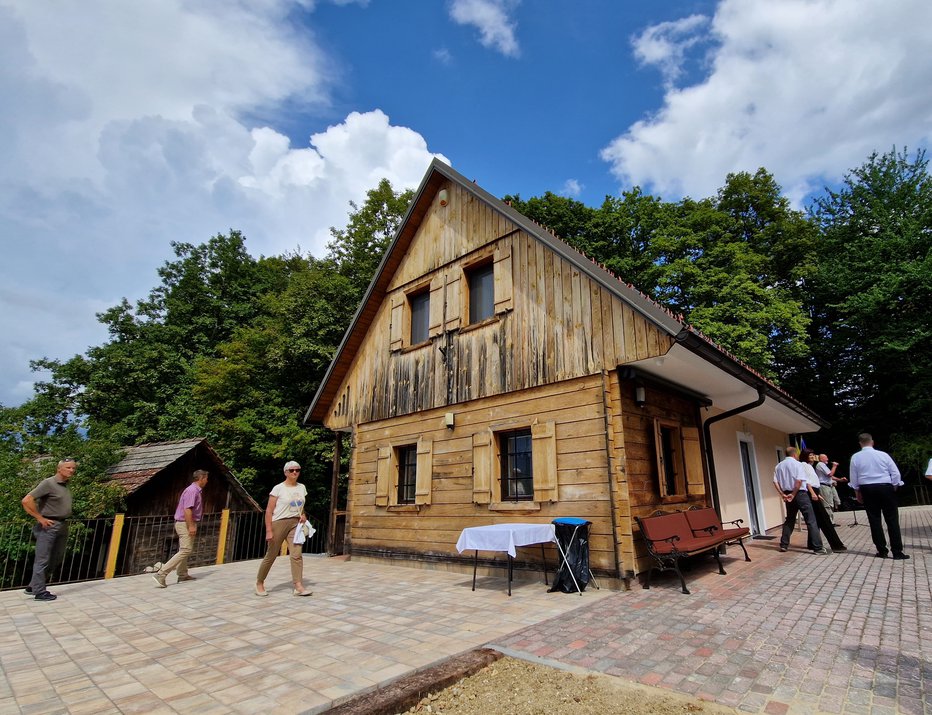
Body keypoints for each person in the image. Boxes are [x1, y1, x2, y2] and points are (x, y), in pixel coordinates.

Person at [21, 458, 76, 601]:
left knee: (57, 557)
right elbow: (27, 500)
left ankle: (33, 585)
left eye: (73, 468)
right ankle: (39, 592)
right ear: (59, 469)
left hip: (62, 525)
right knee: (42, 559)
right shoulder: (48, 483)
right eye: (68, 467)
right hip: (48, 526)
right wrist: (40, 518)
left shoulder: (64, 485)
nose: (71, 470)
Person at [255, 460, 312, 597]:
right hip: (279, 522)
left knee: (297, 554)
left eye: (297, 470)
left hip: (295, 523)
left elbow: (299, 506)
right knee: (272, 554)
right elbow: (269, 511)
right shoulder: (278, 488)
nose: (295, 472)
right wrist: (269, 530)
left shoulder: (301, 487)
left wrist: (303, 515)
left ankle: (298, 585)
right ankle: (259, 582)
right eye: (292, 470)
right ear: (285, 472)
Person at [849, 433, 908, 559]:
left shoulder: (855, 457)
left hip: (867, 488)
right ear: (872, 442)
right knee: (892, 519)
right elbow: (895, 473)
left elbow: (854, 478)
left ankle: (882, 551)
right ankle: (897, 552)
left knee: (874, 519)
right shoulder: (883, 455)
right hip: (885, 486)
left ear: (860, 443)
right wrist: (894, 486)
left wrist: (857, 492)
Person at [153, 469, 209, 587]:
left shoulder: (195, 490)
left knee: (185, 549)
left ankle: (183, 575)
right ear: (201, 478)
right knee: (186, 550)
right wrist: (191, 526)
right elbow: (187, 509)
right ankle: (161, 574)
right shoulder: (192, 491)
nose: (207, 481)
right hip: (185, 523)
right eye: (206, 478)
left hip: (186, 522)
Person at [773, 447, 827, 554]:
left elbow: (775, 481)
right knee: (811, 520)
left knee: (790, 520)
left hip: (787, 494)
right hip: (800, 494)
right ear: (795, 454)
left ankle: (784, 544)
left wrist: (783, 494)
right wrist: (793, 494)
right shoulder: (798, 465)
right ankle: (818, 547)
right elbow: (799, 480)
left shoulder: (779, 466)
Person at [802, 450, 846, 551]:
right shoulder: (804, 465)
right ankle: (836, 545)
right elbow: (806, 481)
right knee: (824, 518)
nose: (812, 457)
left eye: (813, 455)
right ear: (805, 456)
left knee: (816, 520)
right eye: (810, 455)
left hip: (815, 491)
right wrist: (813, 493)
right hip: (812, 492)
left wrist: (817, 493)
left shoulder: (810, 466)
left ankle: (812, 543)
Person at [815, 454, 844, 521]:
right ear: (821, 459)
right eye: (826, 458)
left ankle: (831, 520)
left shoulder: (824, 465)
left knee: (832, 502)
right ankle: (830, 521)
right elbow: (830, 474)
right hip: (824, 486)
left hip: (829, 486)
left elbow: (830, 476)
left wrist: (840, 479)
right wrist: (834, 466)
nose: (827, 459)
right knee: (827, 504)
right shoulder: (820, 464)